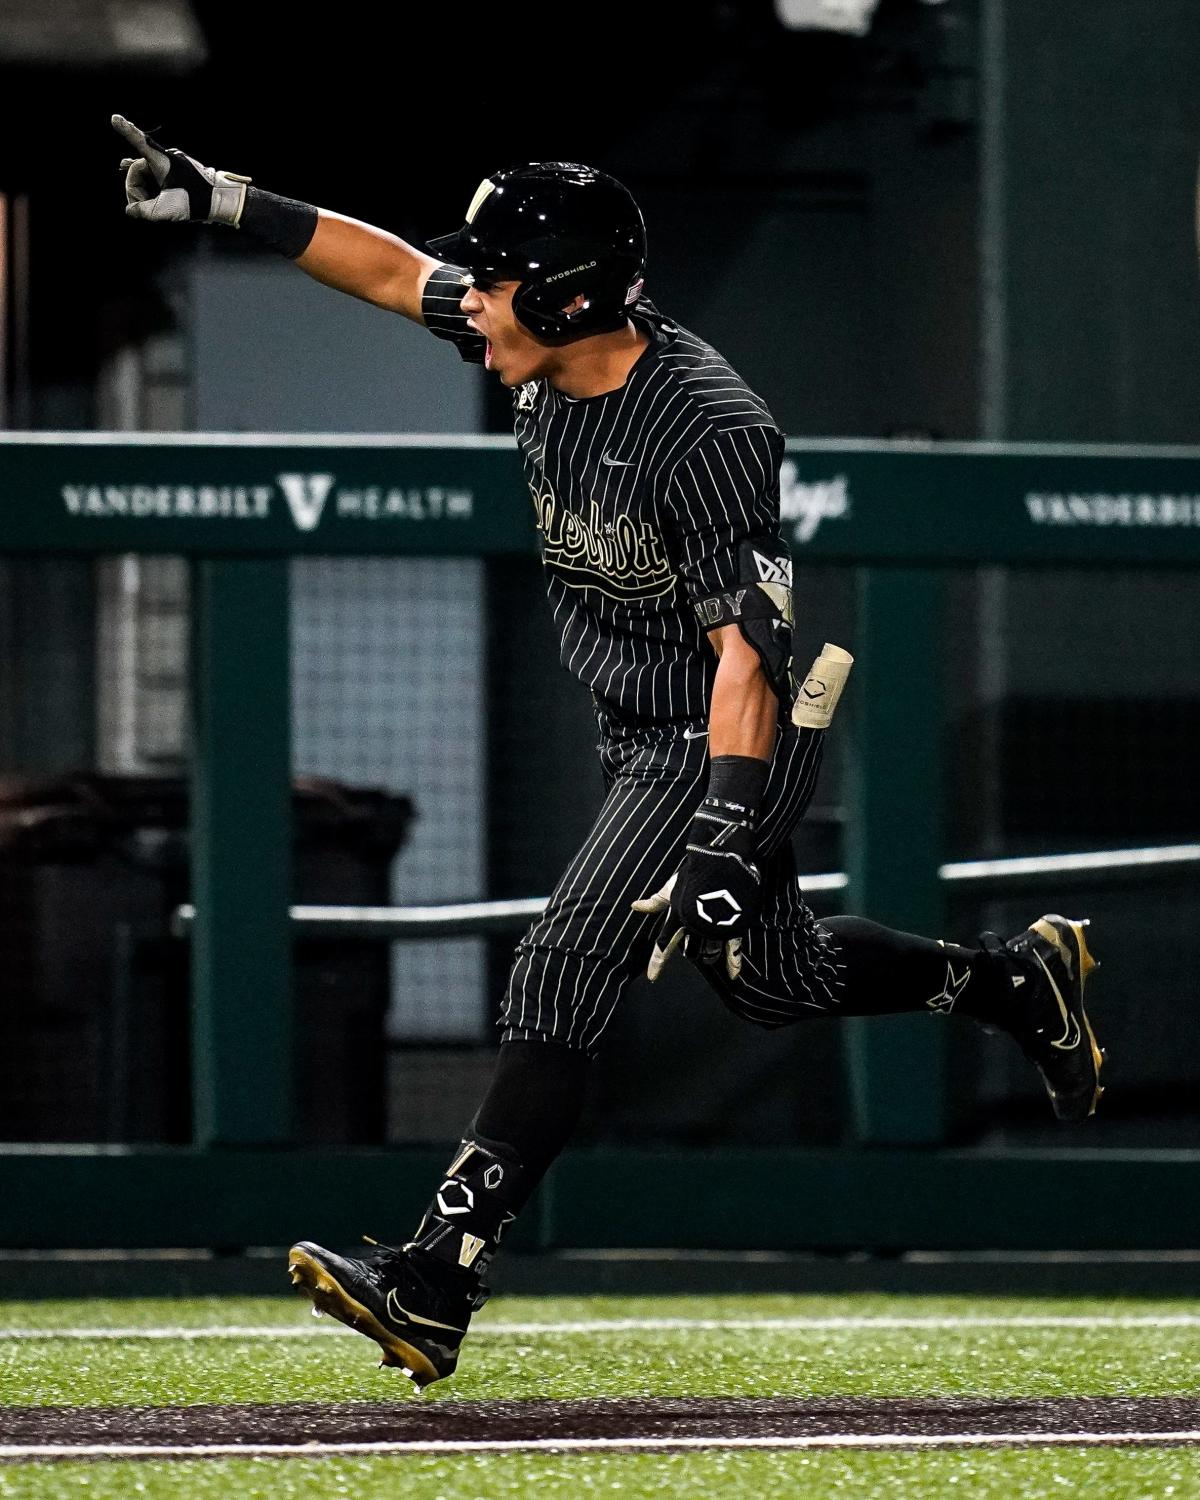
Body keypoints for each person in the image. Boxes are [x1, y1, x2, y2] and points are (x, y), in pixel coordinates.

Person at [112, 116, 1105, 1390]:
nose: (472, 291)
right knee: (775, 981)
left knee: (564, 964)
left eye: (501, 276)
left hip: (715, 735)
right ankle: (1016, 986)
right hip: (637, 723)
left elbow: (748, 656)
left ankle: (435, 1278)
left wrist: (719, 834)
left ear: (572, 297)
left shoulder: (705, 426)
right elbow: (380, 267)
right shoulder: (532, 334)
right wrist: (222, 197)